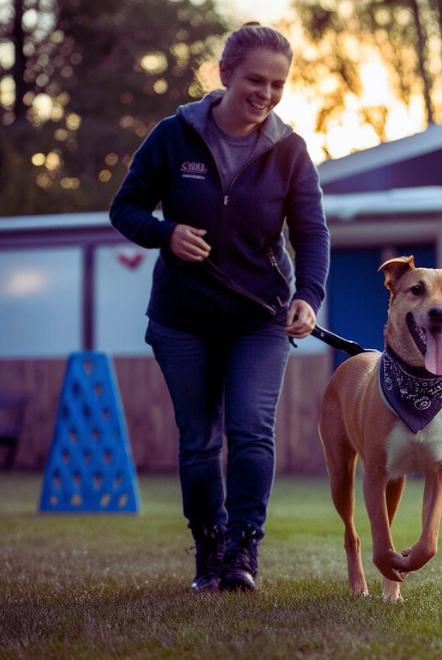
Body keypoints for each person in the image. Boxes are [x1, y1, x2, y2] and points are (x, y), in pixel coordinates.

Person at [110, 22, 329, 592]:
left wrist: (308, 296)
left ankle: (242, 553)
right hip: (183, 320)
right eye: (256, 79)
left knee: (251, 430)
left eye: (278, 84)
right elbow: (125, 209)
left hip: (260, 317)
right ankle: (209, 548)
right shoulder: (173, 136)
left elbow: (312, 234)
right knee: (200, 439)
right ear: (226, 74)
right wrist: (167, 233)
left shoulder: (289, 151)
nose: (266, 93)